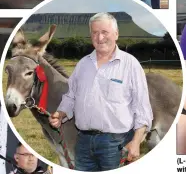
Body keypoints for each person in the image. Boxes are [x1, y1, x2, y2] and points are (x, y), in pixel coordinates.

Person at [49, 12, 153, 171]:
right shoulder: (83, 64)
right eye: (95, 33)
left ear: (116, 34)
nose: (99, 38)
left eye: (105, 32)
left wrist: (136, 141)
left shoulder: (130, 65)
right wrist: (61, 113)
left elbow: (142, 108)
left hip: (116, 143)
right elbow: (71, 96)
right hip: (83, 141)